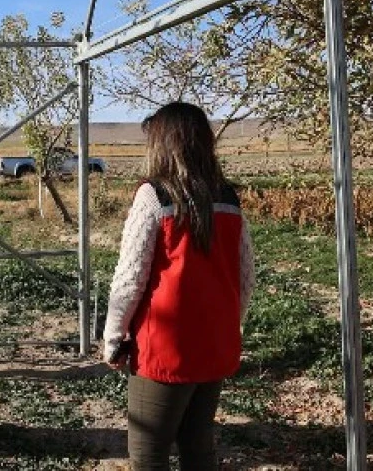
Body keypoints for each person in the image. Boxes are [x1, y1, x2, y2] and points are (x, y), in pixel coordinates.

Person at [102, 102, 255, 471]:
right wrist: (229, 324)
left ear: (163, 143)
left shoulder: (154, 195)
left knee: (148, 453)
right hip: (214, 345)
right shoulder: (228, 198)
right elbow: (246, 275)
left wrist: (113, 336)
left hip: (165, 349)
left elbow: (130, 276)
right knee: (198, 446)